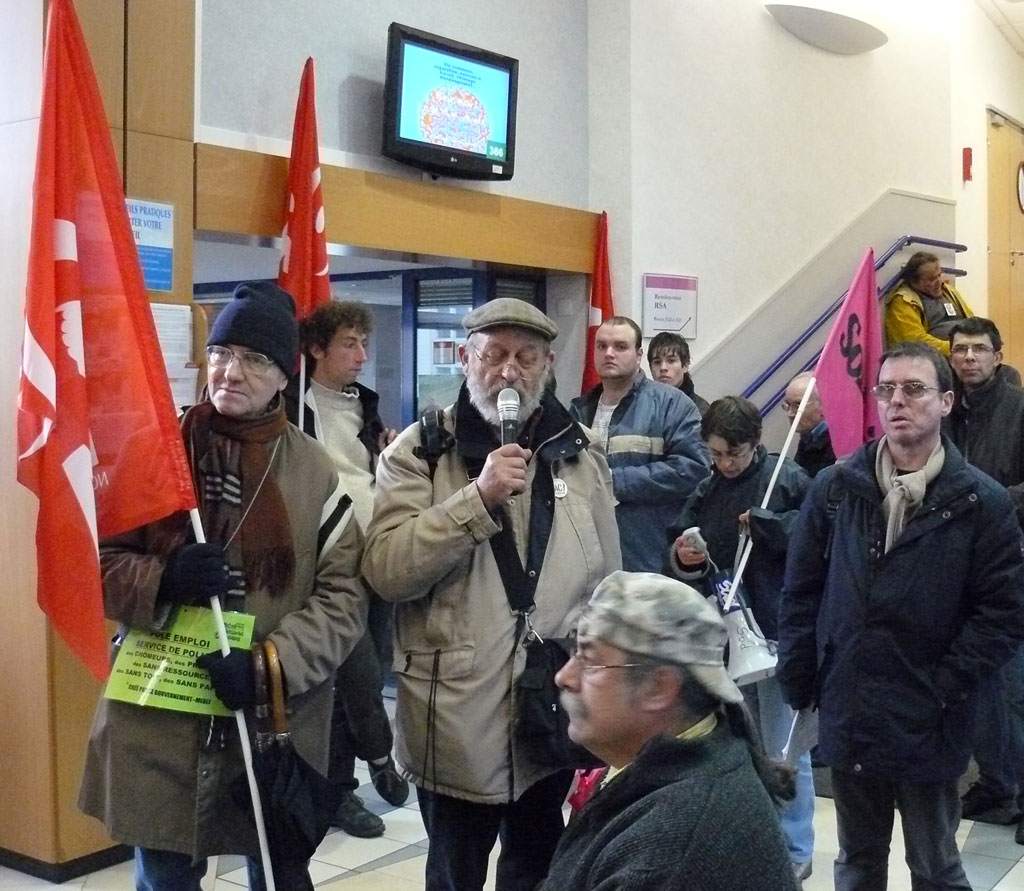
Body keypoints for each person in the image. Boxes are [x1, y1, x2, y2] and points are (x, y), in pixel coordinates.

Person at [79, 282, 369, 891]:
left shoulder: (314, 471)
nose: (231, 372)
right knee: (164, 877)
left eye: (255, 358)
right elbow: (93, 565)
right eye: (220, 352)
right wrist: (162, 578)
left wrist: (271, 663)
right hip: (160, 713)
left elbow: (343, 597)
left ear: (285, 375)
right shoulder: (156, 457)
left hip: (269, 717)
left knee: (277, 868)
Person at [361, 298, 621, 891]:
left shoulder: (580, 454)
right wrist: (474, 500)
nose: (510, 372)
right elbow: (386, 571)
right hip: (453, 716)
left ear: (548, 364)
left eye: (526, 358)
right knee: (454, 873)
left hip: (549, 708)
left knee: (536, 868)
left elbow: (608, 579)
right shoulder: (419, 453)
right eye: (495, 355)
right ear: (464, 358)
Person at [778, 340, 1024, 890]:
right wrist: (801, 676)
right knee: (858, 861)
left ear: (945, 401)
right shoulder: (837, 488)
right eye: (886, 390)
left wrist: (943, 684)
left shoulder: (981, 501)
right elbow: (802, 591)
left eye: (914, 390)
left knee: (934, 865)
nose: (897, 402)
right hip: (852, 702)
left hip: (931, 714)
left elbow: (1002, 615)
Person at [536, 570, 799, 890]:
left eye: (589, 659)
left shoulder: (669, 852)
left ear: (658, 687)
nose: (564, 677)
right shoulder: (674, 771)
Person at [667, 396, 815, 882]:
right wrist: (685, 558)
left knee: (782, 746)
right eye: (716, 454)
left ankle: (795, 848)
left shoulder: (786, 478)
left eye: (735, 453)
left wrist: (769, 526)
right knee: (740, 742)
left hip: (777, 630)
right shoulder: (708, 487)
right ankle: (757, 834)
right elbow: (684, 546)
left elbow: (818, 539)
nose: (725, 464)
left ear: (757, 443)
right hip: (726, 632)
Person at [284, 300, 408, 839]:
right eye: (349, 344)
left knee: (370, 669)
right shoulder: (292, 405)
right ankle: (353, 779)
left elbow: (373, 473)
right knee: (343, 674)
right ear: (316, 349)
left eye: (364, 344)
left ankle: (365, 767)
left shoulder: (368, 406)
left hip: (374, 553)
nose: (361, 356)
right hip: (321, 560)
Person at [945, 317, 1024, 834]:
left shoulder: (1020, 410)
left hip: (1012, 563)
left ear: (997, 355)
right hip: (954, 568)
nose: (969, 357)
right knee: (973, 685)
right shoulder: (944, 411)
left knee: (1016, 687)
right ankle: (995, 785)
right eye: (960, 349)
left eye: (979, 349)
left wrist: (987, 506)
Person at [570, 316, 708, 572]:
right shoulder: (577, 411)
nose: (609, 353)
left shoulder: (672, 404)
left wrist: (613, 481)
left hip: (648, 557)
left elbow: (693, 470)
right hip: (588, 558)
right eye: (601, 346)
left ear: (638, 354)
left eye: (620, 347)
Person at [883, 251, 973, 356]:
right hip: (934, 360)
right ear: (914, 281)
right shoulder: (903, 301)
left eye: (939, 275)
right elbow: (915, 342)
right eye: (931, 279)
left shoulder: (949, 291)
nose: (938, 281)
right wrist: (957, 349)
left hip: (965, 352)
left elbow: (972, 319)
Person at [782, 372, 836, 477]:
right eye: (788, 405)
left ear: (824, 404)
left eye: (798, 405)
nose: (790, 413)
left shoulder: (837, 445)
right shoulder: (808, 437)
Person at [648, 331, 710, 415]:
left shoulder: (701, 411)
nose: (663, 368)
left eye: (671, 361)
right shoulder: (641, 406)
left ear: (685, 365)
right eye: (657, 362)